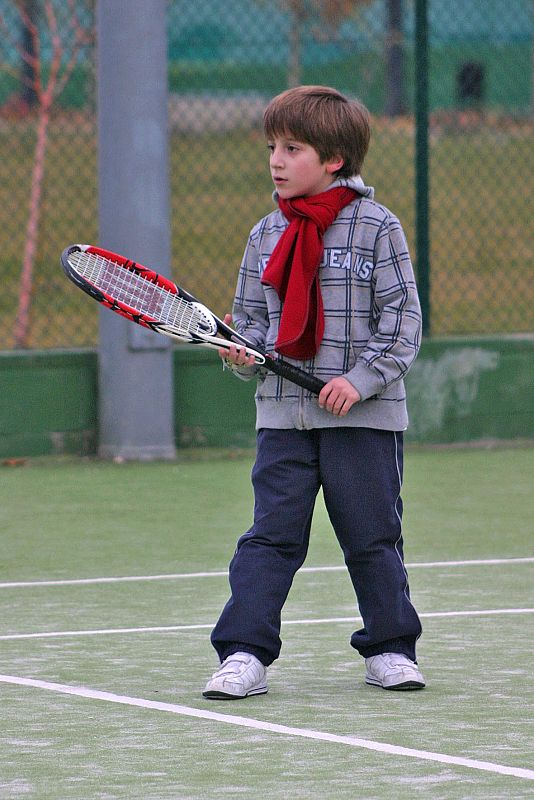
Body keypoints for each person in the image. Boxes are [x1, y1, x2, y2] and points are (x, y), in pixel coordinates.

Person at [203, 85, 425, 700]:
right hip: (284, 420)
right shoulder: (263, 234)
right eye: (272, 146)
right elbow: (248, 322)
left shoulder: (380, 228)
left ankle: (390, 649)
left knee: (372, 535)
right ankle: (244, 654)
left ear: (334, 158)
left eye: (292, 147)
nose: (276, 159)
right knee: (270, 538)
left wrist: (358, 381)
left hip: (365, 420)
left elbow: (403, 324)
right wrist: (240, 353)